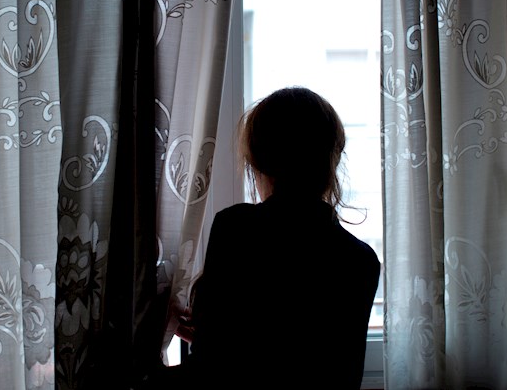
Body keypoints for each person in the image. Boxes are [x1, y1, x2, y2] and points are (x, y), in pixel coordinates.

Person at [148, 86, 381, 389]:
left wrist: (142, 353)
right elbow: (326, 367)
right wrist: (213, 329)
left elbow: (213, 375)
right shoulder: (361, 261)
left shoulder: (237, 229)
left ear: (261, 164)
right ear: (329, 162)